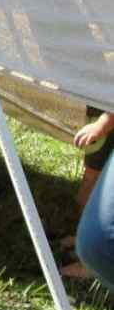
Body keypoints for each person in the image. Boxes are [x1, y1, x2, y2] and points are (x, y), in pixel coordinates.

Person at [61, 107, 114, 280]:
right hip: (102, 103)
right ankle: (84, 244)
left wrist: (104, 122)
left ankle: (94, 264)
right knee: (91, 176)